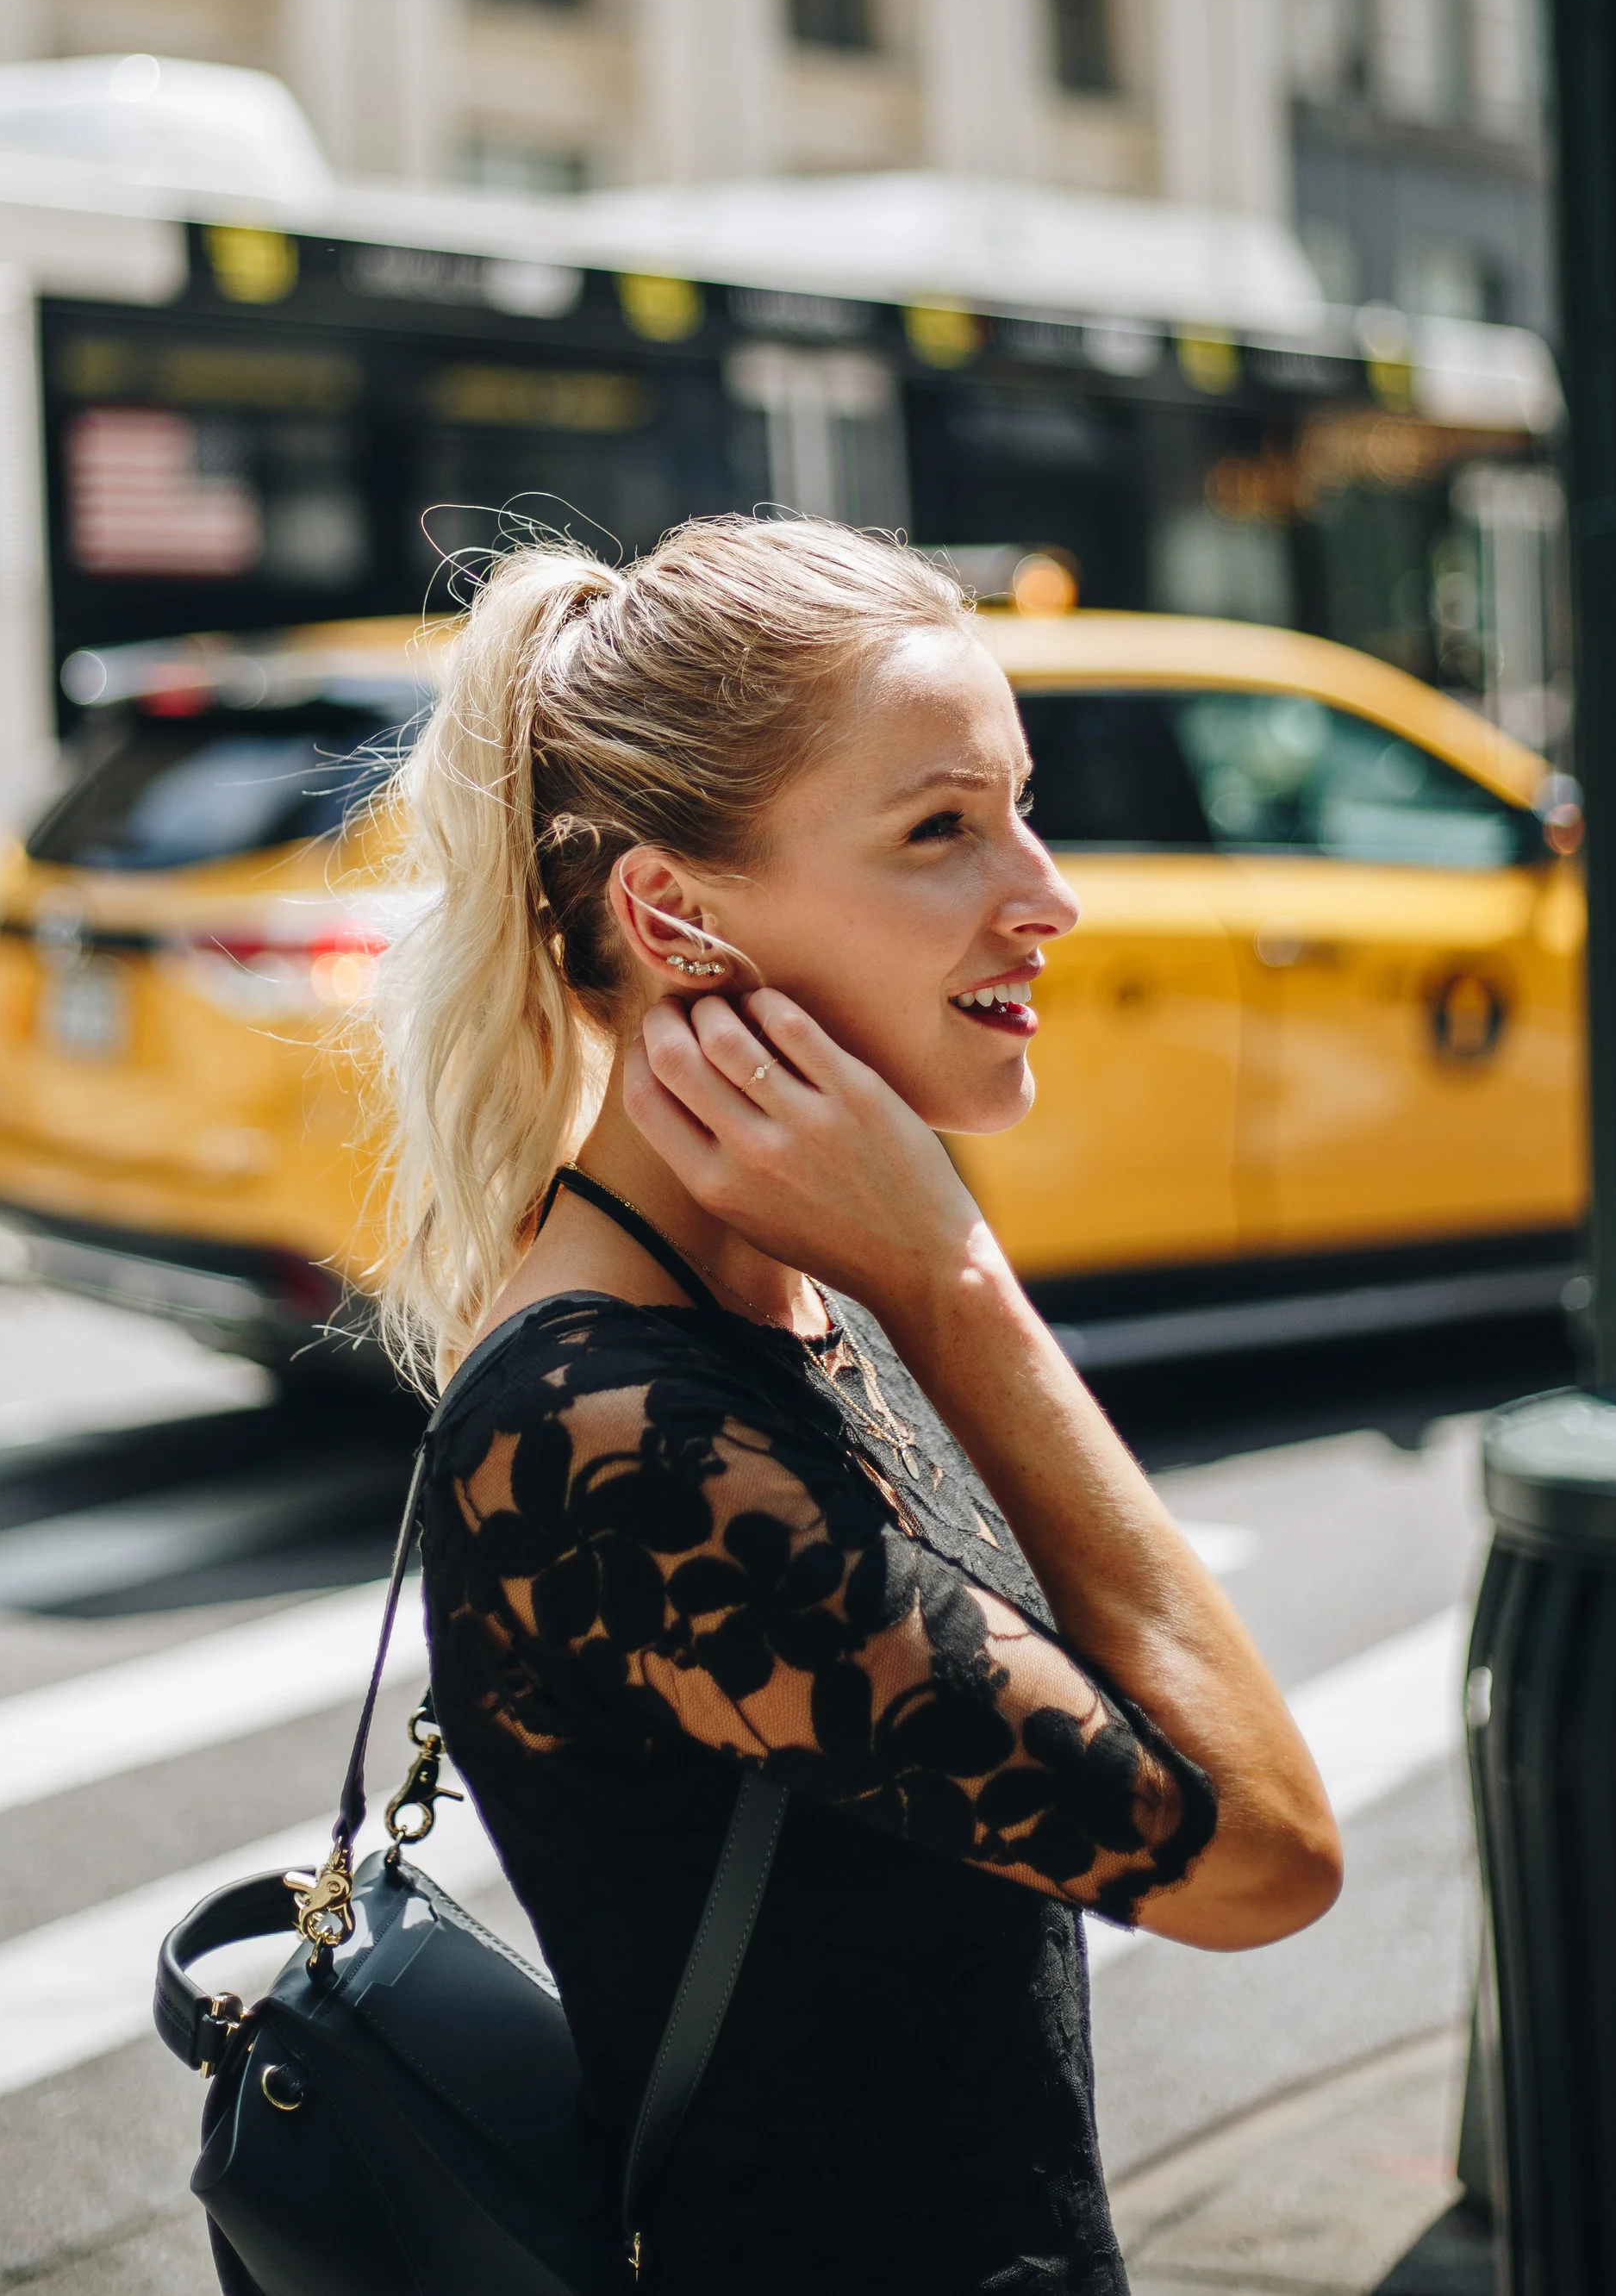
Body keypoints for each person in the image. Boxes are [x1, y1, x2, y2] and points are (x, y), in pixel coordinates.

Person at [373, 516, 1340, 2296]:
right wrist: (958, 1288)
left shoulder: (797, 1277)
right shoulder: (607, 1434)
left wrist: (912, 1275)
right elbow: (1256, 1862)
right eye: (940, 830)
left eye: (1018, 804)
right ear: (673, 914)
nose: (1044, 892)